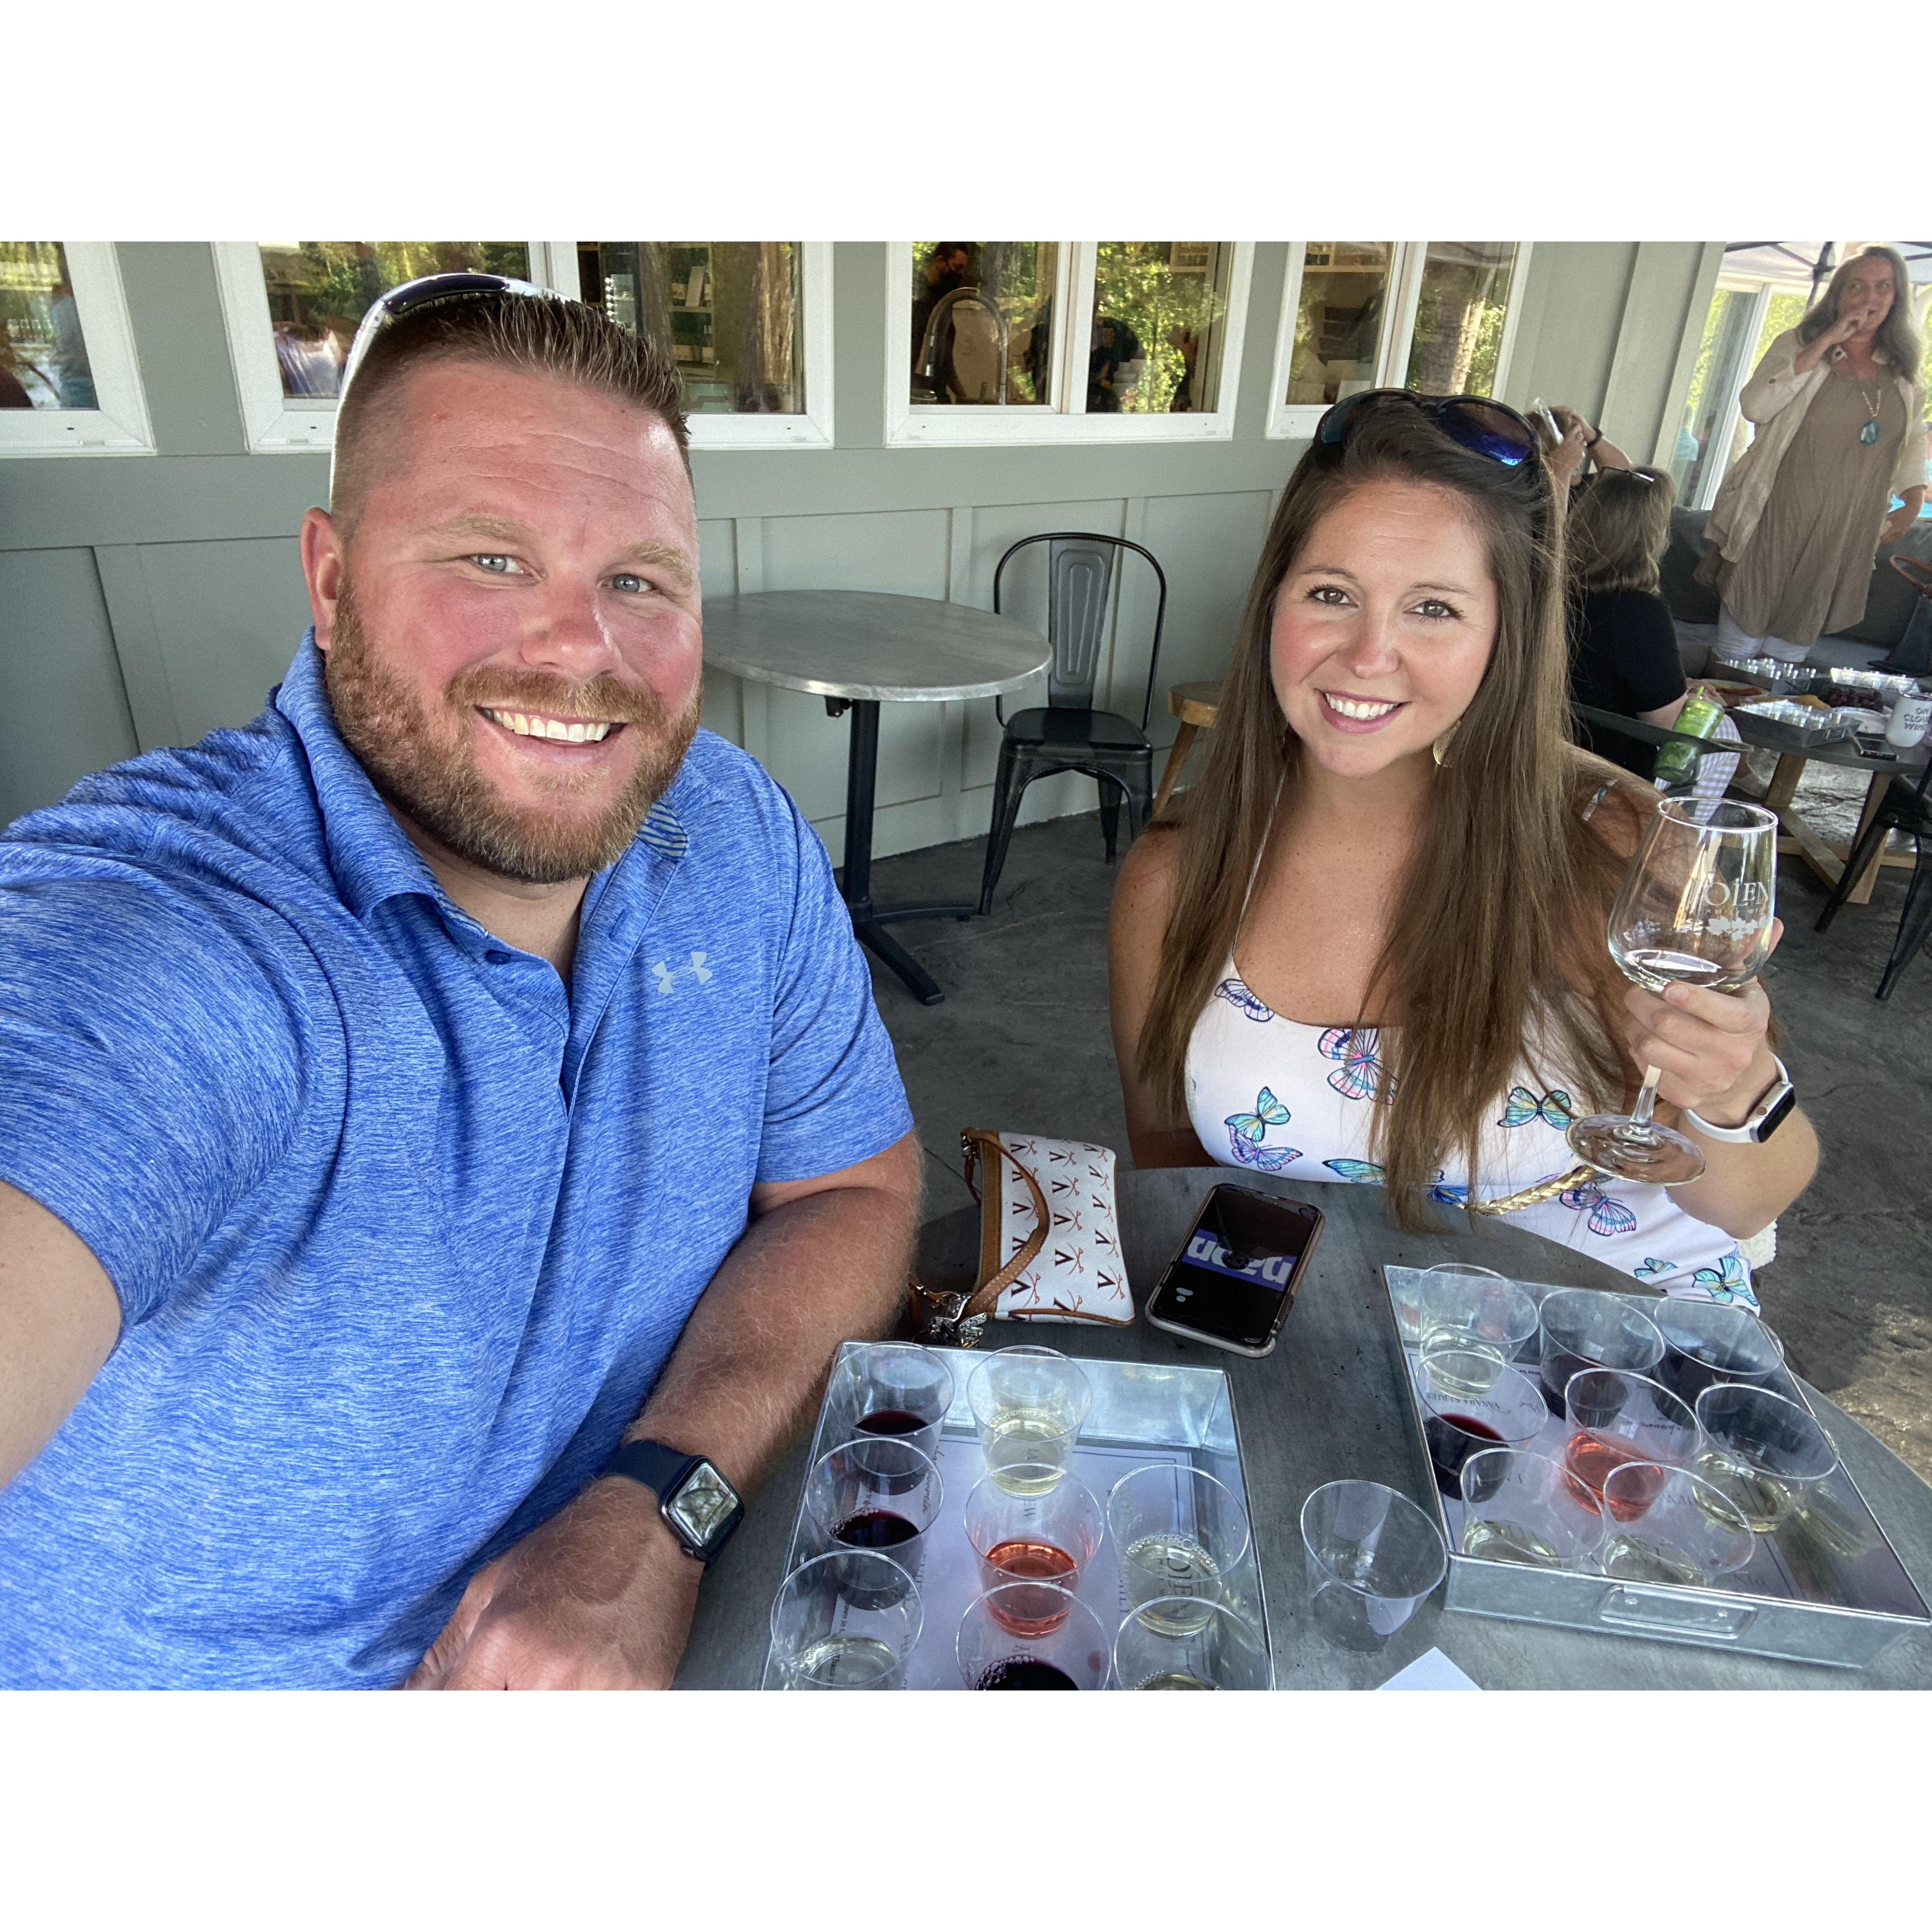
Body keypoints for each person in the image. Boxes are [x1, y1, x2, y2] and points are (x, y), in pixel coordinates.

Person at [0, 275, 921, 1689]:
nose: (581, 650)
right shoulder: (172, 933)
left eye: (640, 580)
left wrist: (657, 1508)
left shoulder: (729, 830)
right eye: (491, 558)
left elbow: (851, 1194)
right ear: (330, 580)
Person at [1108, 392, 1817, 1307]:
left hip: (1616, 1343)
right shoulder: (1177, 879)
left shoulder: (1608, 848)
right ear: (1272, 601)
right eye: (1331, 593)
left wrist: (1729, 1084)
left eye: (1433, 608)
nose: (1369, 653)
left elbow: (1752, 1200)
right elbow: (1173, 1172)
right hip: (1341, 1341)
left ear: (1503, 636)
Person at [1699, 246, 1928, 667]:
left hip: (1843, 531)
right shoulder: (1798, 344)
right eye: (1857, 286)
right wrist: (1826, 341)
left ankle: (1768, 712)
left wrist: (1913, 500)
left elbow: (1911, 440)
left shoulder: (1903, 370)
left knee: (1788, 655)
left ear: (1897, 298)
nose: (1869, 297)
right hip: (1775, 518)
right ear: (1838, 294)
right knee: (1737, 651)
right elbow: (1756, 406)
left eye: (1883, 287)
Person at [1564, 466, 1690, 773]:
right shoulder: (1639, 613)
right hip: (1605, 773)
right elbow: (1667, 724)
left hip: (1540, 752)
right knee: (1723, 732)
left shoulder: (1547, 593)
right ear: (1653, 535)